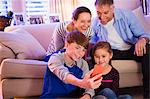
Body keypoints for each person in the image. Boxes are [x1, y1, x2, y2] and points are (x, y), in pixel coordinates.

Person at [89, 0, 150, 98]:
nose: (102, 17)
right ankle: (100, 93)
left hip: (131, 48)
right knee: (93, 54)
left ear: (113, 8)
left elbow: (143, 35)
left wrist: (143, 40)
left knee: (148, 49)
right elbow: (92, 41)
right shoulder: (96, 23)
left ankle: (148, 95)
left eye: (105, 13)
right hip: (112, 51)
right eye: (98, 13)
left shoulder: (127, 15)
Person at [41, 30, 105, 99]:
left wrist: (87, 95)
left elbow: (89, 88)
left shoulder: (83, 63)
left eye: (83, 50)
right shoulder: (55, 58)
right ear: (66, 45)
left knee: (101, 98)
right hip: (54, 97)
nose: (80, 53)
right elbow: (64, 75)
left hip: (74, 97)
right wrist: (81, 83)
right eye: (77, 48)